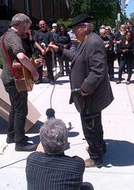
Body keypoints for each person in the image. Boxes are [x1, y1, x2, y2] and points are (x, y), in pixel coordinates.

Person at [49, 14, 114, 168]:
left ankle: (95, 157)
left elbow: (98, 70)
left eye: (75, 28)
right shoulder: (86, 40)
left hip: (89, 97)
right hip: (88, 96)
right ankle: (98, 147)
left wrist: (85, 89)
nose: (73, 32)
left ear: (84, 27)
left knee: (90, 127)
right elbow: (76, 57)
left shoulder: (93, 42)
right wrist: (59, 50)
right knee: (95, 124)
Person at [0, 13, 41, 152]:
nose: (26, 31)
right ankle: (20, 142)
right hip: (15, 79)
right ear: (21, 25)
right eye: (26, 28)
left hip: (8, 78)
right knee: (21, 110)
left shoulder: (4, 36)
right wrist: (34, 71)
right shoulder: (14, 37)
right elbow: (21, 56)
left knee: (14, 108)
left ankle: (12, 135)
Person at [26, 119, 94, 190]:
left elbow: (39, 151)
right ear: (65, 142)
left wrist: (46, 136)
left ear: (42, 142)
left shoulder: (32, 159)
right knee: (88, 186)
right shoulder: (77, 164)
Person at [33, 20, 55, 84]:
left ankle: (51, 79)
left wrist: (46, 50)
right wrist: (42, 50)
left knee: (49, 65)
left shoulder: (49, 33)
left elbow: (51, 42)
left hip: (48, 51)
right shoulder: (37, 33)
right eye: (41, 24)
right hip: (39, 52)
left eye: (43, 24)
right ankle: (39, 79)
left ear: (45, 24)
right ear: (39, 25)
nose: (42, 25)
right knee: (39, 66)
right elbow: (35, 42)